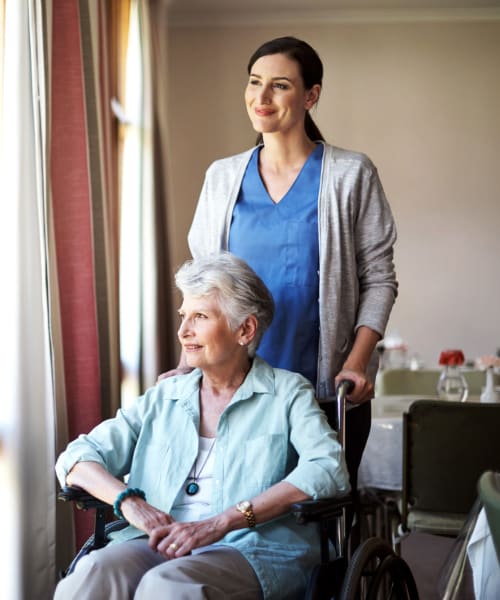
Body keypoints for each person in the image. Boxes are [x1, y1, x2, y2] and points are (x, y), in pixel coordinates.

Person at [169, 36, 398, 495]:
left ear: (311, 96)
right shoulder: (222, 177)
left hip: (324, 392)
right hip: (233, 389)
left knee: (320, 520)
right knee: (236, 516)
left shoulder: (350, 174)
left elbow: (379, 279)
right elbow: (202, 284)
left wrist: (356, 363)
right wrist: (187, 363)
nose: (262, 97)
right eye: (254, 83)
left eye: (279, 86)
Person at [54, 252, 350, 600]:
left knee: (166, 587)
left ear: (245, 329)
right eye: (183, 316)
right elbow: (76, 458)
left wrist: (222, 522)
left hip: (250, 548)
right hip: (158, 542)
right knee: (93, 572)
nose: (183, 331)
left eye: (200, 316)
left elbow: (328, 467)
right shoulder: (165, 396)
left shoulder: (286, 392)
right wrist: (130, 503)